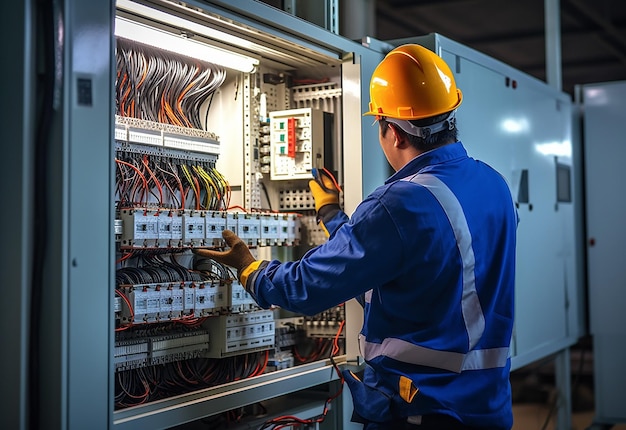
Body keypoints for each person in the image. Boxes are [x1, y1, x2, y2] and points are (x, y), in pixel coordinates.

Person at [194, 44, 517, 430]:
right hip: (487, 405)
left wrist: (250, 270)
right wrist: (332, 215)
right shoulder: (494, 185)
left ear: (393, 132)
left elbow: (308, 287)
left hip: (423, 409)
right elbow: (415, 261)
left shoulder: (401, 202)